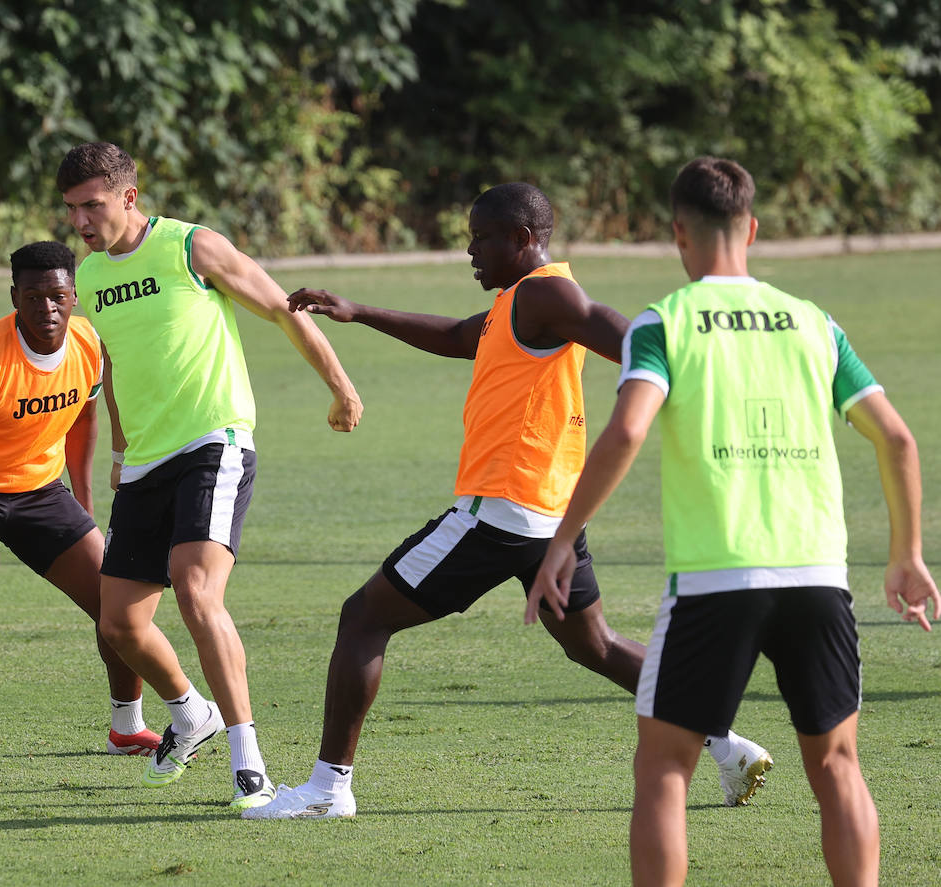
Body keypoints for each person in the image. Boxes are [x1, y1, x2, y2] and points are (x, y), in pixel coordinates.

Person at [245, 181, 772, 820]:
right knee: (593, 645)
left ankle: (328, 790)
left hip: (503, 508)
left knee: (363, 618)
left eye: (481, 237)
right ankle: (725, 742)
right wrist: (358, 310)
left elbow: (619, 330)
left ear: (523, 238)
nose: (470, 250)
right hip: (550, 512)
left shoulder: (547, 290)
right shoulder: (515, 304)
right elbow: (457, 335)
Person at [527, 157, 939, 886]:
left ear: (678, 234)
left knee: (664, 768)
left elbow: (625, 432)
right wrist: (907, 552)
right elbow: (898, 438)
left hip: (716, 578)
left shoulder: (665, 322)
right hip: (818, 576)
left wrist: (563, 540)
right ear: (751, 228)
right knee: (838, 765)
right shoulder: (815, 323)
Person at [55, 142, 364, 811]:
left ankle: (248, 761)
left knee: (196, 591)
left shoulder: (191, 248)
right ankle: (192, 713)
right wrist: (119, 449)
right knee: (120, 625)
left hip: (213, 441)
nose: (81, 220)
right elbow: (116, 363)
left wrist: (340, 387)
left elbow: (284, 308)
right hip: (144, 462)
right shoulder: (92, 276)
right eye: (72, 208)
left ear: (129, 197)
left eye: (93, 205)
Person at [0, 241, 162, 773]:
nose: (47, 308)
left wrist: (86, 505)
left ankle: (126, 724)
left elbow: (83, 422)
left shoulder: (90, 344)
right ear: (14, 298)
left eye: (57, 296)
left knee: (115, 598)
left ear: (74, 295)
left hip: (41, 490)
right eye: (33, 297)